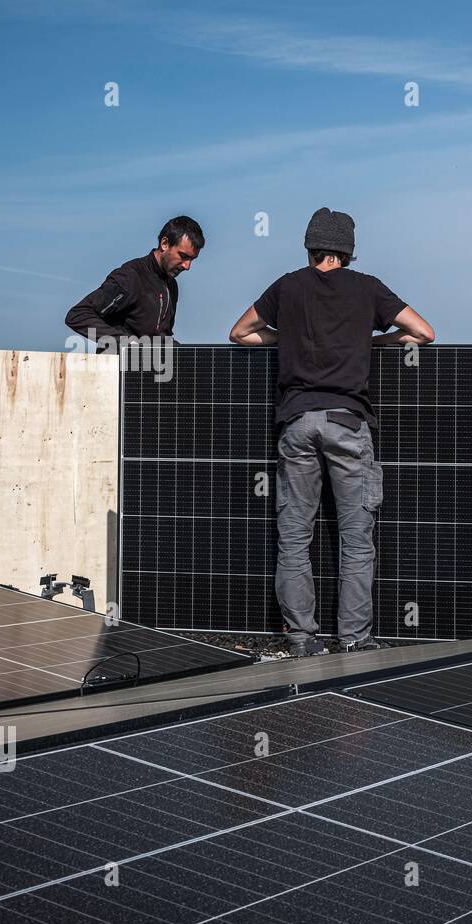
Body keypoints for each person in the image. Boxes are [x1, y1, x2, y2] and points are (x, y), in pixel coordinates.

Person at [229, 208, 434, 656]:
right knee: (355, 541)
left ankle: (302, 641)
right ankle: (355, 640)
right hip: (347, 422)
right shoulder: (368, 289)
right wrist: (369, 340)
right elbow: (423, 332)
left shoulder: (287, 287)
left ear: (309, 247)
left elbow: (240, 333)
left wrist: (292, 340)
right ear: (348, 250)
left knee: (295, 539)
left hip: (297, 423)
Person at [65, 216, 204, 342]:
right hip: (118, 367)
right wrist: (125, 342)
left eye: (192, 259)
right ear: (165, 244)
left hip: (155, 368)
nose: (187, 266)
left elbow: (163, 338)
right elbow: (78, 315)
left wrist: (190, 356)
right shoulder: (130, 276)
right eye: (183, 256)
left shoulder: (171, 285)